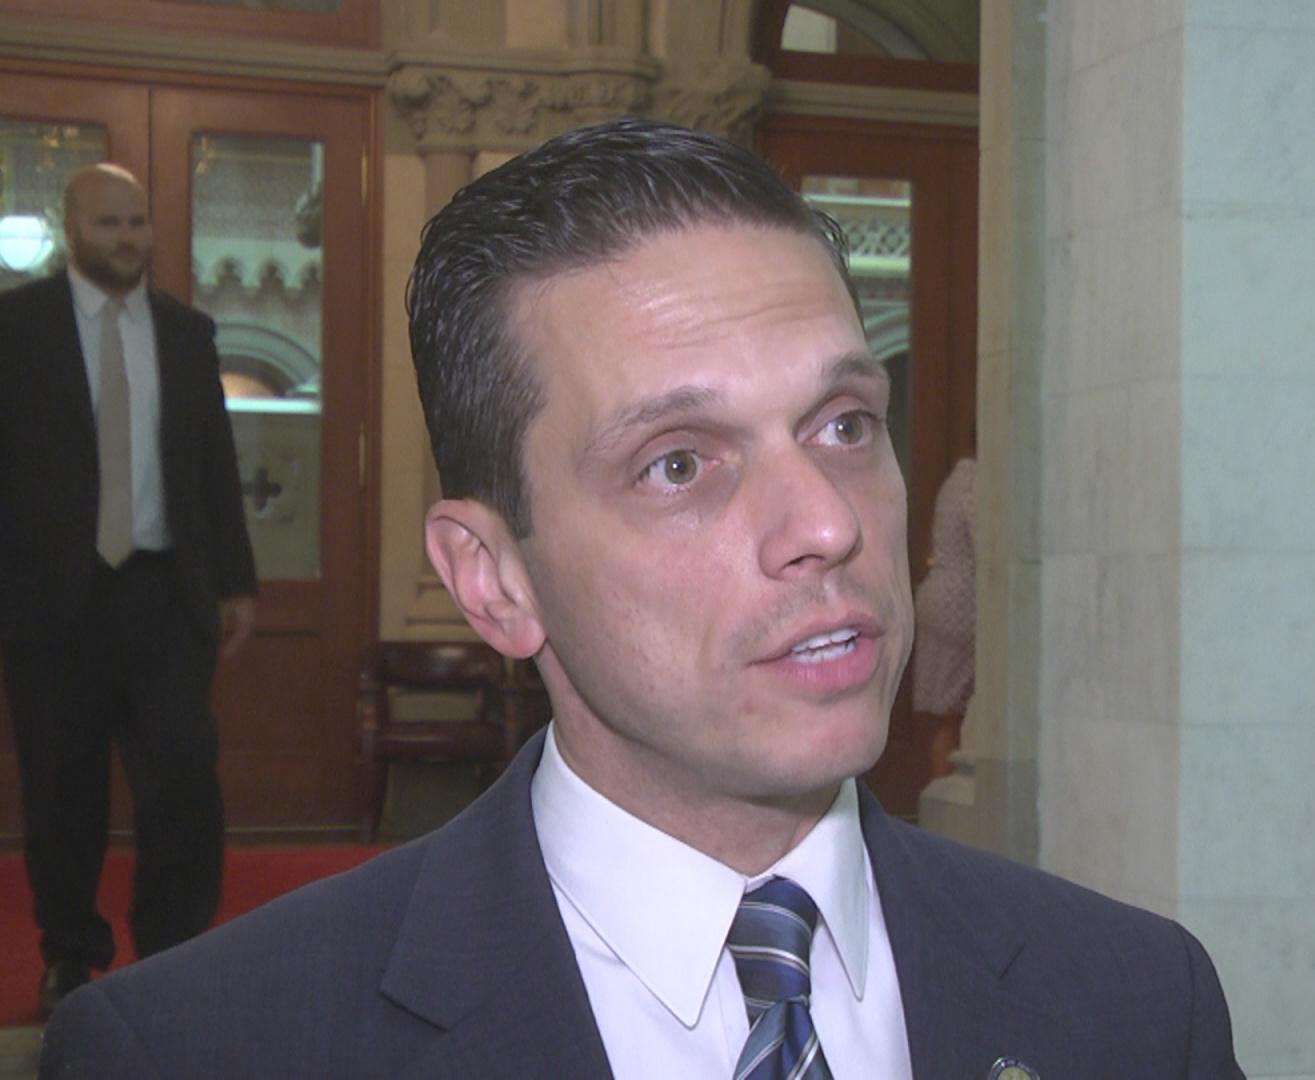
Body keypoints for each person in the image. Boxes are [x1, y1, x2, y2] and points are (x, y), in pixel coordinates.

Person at [40, 119, 1240, 1078]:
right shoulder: (203, 1050)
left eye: (843, 424)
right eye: (678, 464)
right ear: (495, 580)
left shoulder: (1138, 1004)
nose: (828, 524)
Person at [0, 163, 257, 1017]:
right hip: (52, 602)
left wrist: (236, 580)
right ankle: (70, 955)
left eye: (137, 222)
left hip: (163, 594)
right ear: (71, 227)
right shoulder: (17, 329)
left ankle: (173, 950)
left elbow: (213, 462)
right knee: (61, 789)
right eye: (109, 223)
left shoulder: (186, 333)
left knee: (183, 777)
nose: (126, 238)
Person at [913, 456, 976, 778]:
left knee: (945, 717)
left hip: (937, 599)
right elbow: (988, 544)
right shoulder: (976, 484)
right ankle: (948, 792)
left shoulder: (954, 482)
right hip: (962, 607)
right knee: (957, 716)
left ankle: (942, 789)